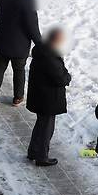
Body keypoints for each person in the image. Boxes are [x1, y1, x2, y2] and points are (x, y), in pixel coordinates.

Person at [0, 0, 43, 107]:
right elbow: (32, 26)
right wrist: (41, 45)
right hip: (19, 43)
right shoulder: (28, 0)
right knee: (19, 70)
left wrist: (6, 21)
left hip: (2, 38)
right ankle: (18, 97)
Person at [26, 27, 71, 167]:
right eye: (61, 38)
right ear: (56, 39)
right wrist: (68, 76)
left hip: (40, 96)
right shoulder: (50, 57)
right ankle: (42, 156)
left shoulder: (42, 51)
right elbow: (61, 78)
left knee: (40, 124)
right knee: (46, 128)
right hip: (48, 99)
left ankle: (33, 151)